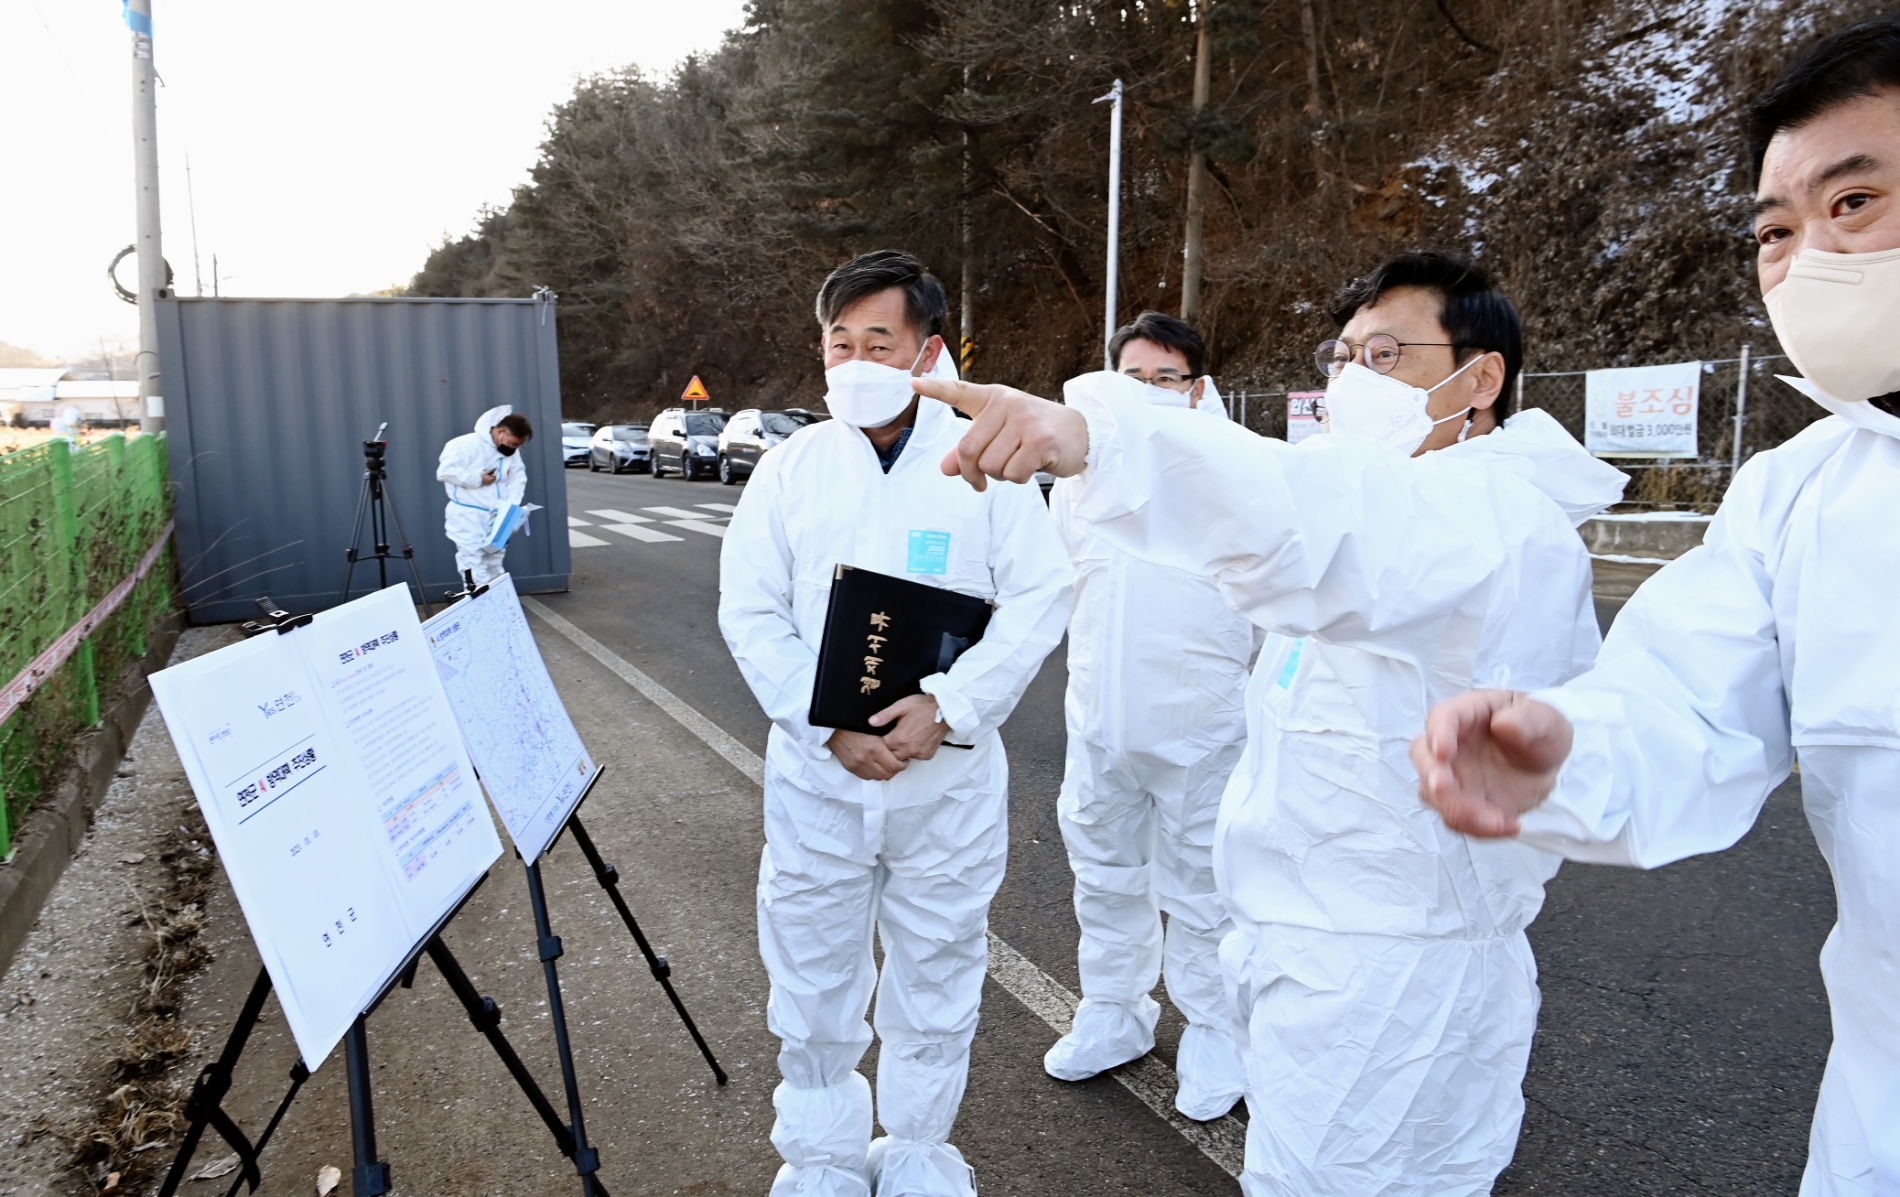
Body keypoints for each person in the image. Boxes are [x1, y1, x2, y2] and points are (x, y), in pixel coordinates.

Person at [913, 252, 1629, 1195]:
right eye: (1344, 356)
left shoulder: (1489, 519)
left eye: (1386, 353)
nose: (1351, 380)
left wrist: (1103, 436)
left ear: (1481, 376)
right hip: (1316, 958)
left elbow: (1305, 527)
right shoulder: (1395, 502)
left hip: (1391, 988)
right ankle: (1129, 1013)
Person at [1409, 18, 1900, 1195]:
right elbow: (1684, 703)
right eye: (1774, 232)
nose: (1801, 262)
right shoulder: (1803, 492)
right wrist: (1559, 755)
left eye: (1853, 204)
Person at [718, 250, 1072, 1197]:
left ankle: (917, 1149)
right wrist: (822, 722)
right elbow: (748, 610)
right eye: (841, 343)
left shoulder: (983, 467)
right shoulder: (791, 469)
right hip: (820, 779)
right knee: (812, 973)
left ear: (930, 352)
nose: (856, 359)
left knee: (939, 969)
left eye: (882, 340)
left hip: (944, 781)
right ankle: (823, 1157)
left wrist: (949, 705)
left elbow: (1042, 595)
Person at [1042, 310, 1258, 1121]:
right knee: (1104, 872)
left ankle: (1215, 1026)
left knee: (1206, 887)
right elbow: (1056, 586)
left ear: (1198, 389)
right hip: (1099, 723)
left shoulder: (1239, 474)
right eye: (1132, 379)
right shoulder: (1079, 483)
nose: (1149, 394)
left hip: (1204, 729)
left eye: (1166, 379)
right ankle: (1114, 1008)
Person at [436, 405, 532, 584]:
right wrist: (478, 479)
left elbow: (518, 479)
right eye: (513, 444)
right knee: (473, 564)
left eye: (518, 446)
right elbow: (445, 472)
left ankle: (496, 606)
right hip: (467, 516)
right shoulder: (462, 445)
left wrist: (510, 508)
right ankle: (479, 607)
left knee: (494, 565)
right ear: (501, 431)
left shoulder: (512, 454)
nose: (514, 449)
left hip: (499, 516)